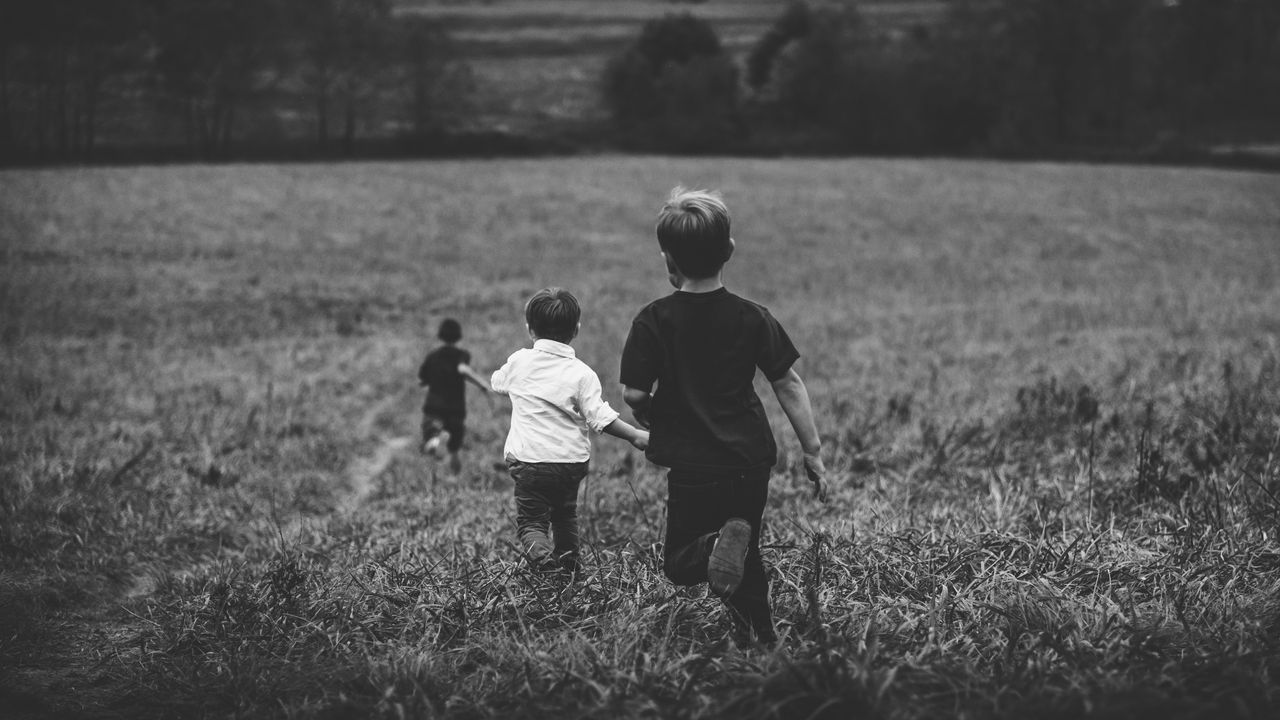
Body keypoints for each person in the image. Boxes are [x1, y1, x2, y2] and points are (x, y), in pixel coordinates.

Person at [620, 186, 828, 645]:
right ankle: (761, 639)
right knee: (744, 550)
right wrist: (812, 450)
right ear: (729, 251)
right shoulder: (752, 317)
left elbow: (633, 392)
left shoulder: (653, 320)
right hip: (749, 459)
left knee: (681, 559)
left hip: (694, 463)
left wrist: (650, 413)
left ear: (667, 258)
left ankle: (715, 548)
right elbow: (788, 383)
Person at [491, 287, 649, 574]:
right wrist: (635, 434)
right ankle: (570, 569)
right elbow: (599, 416)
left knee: (531, 523)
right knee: (565, 515)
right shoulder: (582, 374)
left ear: (529, 329)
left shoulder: (519, 361)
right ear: (576, 329)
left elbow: (499, 383)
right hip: (570, 463)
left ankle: (544, 562)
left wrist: (502, 379)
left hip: (529, 461)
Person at [418, 318, 490, 472]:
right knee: (454, 447)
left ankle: (435, 441)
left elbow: (423, 377)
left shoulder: (432, 356)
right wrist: (482, 384)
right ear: (458, 336)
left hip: (434, 407)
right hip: (455, 409)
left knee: (430, 436)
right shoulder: (461, 354)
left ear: (440, 335)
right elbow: (463, 369)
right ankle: (454, 476)